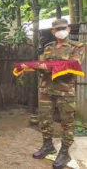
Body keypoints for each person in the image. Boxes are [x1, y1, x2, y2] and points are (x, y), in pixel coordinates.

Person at [26, 19, 84, 169]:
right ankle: (47, 146)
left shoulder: (77, 46)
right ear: (53, 32)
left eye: (63, 28)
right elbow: (41, 64)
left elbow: (73, 66)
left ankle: (64, 152)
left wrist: (48, 67)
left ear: (69, 29)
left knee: (67, 122)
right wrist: (39, 67)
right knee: (44, 120)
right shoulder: (48, 47)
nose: (60, 30)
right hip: (46, 89)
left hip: (65, 91)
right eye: (57, 29)